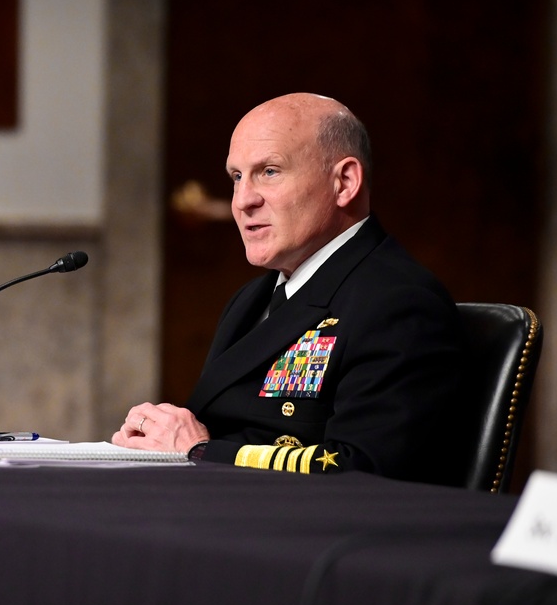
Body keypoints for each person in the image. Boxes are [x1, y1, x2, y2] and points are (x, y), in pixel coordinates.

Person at [112, 92, 469, 485]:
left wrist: (199, 451)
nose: (243, 200)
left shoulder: (398, 302)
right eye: (236, 177)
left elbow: (365, 474)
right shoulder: (251, 299)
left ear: (344, 182)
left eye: (269, 171)